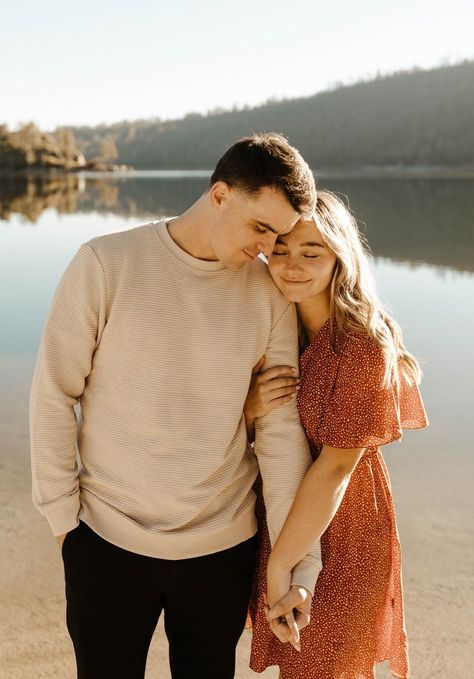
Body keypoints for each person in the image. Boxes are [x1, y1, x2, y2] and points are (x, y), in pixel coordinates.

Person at [29, 133, 323, 679]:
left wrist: (299, 561)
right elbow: (54, 392)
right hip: (106, 542)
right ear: (219, 195)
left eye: (278, 236)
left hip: (223, 551)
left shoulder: (267, 292)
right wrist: (62, 519)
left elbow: (281, 435)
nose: (266, 249)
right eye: (260, 228)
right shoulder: (104, 263)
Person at [244, 190, 428, 679]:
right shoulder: (274, 331)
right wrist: (250, 407)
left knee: (330, 662)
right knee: (300, 662)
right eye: (280, 250)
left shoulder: (361, 345)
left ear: (339, 259)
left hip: (344, 524)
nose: (292, 265)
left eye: (312, 252)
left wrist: (282, 565)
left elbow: (337, 466)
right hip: (282, 511)